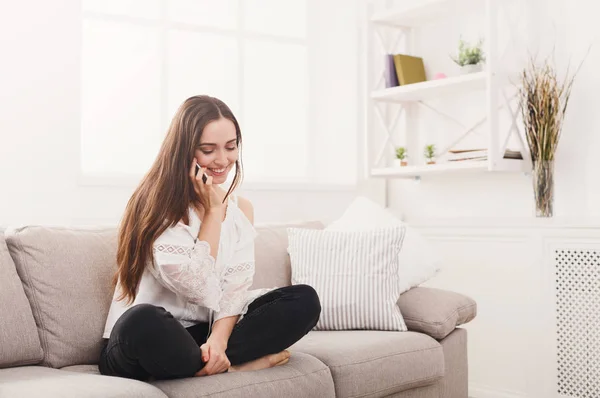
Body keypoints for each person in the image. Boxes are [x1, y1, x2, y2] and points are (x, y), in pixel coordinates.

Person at [99, 95, 321, 381]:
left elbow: (233, 291)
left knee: (304, 300)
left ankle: (214, 360)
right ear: (185, 151)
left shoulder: (241, 210)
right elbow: (199, 287)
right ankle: (235, 364)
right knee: (141, 321)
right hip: (145, 341)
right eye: (208, 150)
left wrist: (218, 340)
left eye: (231, 147)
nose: (223, 160)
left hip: (198, 338)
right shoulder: (157, 206)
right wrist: (214, 212)